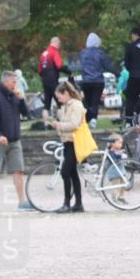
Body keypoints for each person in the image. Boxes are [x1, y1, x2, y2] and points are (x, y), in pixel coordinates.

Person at [0, 70, 34, 213]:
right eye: (14, 82)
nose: (15, 85)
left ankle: (22, 202)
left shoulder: (15, 95)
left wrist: (21, 99)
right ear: (6, 81)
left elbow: (27, 114)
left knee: (18, 170)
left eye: (16, 82)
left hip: (15, 140)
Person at [44, 81, 86, 213]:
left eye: (59, 96)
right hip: (68, 142)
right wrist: (56, 124)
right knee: (73, 173)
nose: (58, 99)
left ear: (66, 93)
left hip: (75, 142)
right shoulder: (67, 106)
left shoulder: (76, 105)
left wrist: (59, 125)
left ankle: (67, 203)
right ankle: (78, 204)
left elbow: (74, 124)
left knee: (65, 172)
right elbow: (65, 124)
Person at [80, 32, 115, 129]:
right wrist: (117, 73)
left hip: (86, 81)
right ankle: (93, 120)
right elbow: (108, 66)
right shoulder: (100, 53)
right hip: (98, 81)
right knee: (95, 101)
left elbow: (82, 66)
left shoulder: (83, 53)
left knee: (87, 101)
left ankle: (87, 119)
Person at [38, 36, 69, 114]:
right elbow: (59, 66)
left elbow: (40, 70)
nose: (59, 46)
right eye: (59, 44)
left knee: (47, 104)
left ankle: (45, 124)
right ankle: (61, 121)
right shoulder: (54, 52)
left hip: (45, 80)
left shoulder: (44, 53)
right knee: (60, 102)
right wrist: (68, 71)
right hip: (53, 80)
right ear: (56, 43)